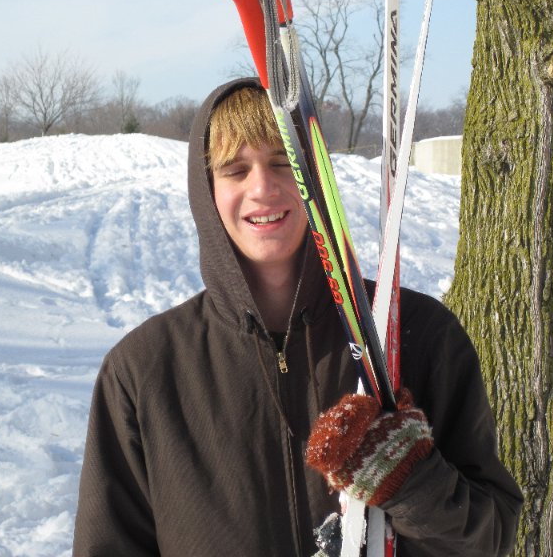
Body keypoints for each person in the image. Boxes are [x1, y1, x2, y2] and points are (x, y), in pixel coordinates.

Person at [73, 78, 522, 556]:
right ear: (206, 191)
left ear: (315, 175)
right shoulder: (144, 372)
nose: (262, 187)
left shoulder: (416, 334)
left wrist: (411, 483)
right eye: (235, 170)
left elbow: (490, 539)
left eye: (283, 162)